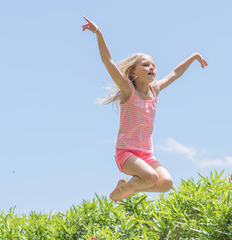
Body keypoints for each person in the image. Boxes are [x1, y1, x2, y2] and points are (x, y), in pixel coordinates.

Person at [82, 16, 208, 203]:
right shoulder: (128, 90)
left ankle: (126, 189)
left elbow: (175, 73)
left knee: (165, 183)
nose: (152, 68)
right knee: (150, 177)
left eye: (154, 66)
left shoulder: (154, 90)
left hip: (146, 154)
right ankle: (118, 193)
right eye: (146, 64)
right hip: (127, 154)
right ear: (133, 72)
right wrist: (99, 33)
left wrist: (194, 56)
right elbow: (108, 61)